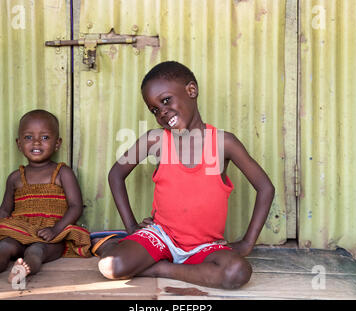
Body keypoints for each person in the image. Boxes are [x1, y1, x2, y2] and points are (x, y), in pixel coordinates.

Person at [90, 61, 275, 289]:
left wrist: (248, 242)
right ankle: (128, 247)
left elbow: (265, 187)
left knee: (237, 272)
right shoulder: (155, 140)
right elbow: (116, 175)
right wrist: (131, 226)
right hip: (161, 238)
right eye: (154, 109)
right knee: (110, 267)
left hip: (205, 246)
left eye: (166, 100)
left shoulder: (224, 143)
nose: (162, 112)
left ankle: (160, 267)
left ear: (191, 90)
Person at [0, 109, 91, 284]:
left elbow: (75, 206)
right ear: (19, 144)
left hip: (50, 236)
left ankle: (23, 270)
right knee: (4, 247)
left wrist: (56, 230)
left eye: (44, 137)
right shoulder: (15, 177)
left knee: (36, 251)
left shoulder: (62, 173)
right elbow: (4, 210)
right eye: (28, 137)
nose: (36, 142)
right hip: (19, 232)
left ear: (57, 144)